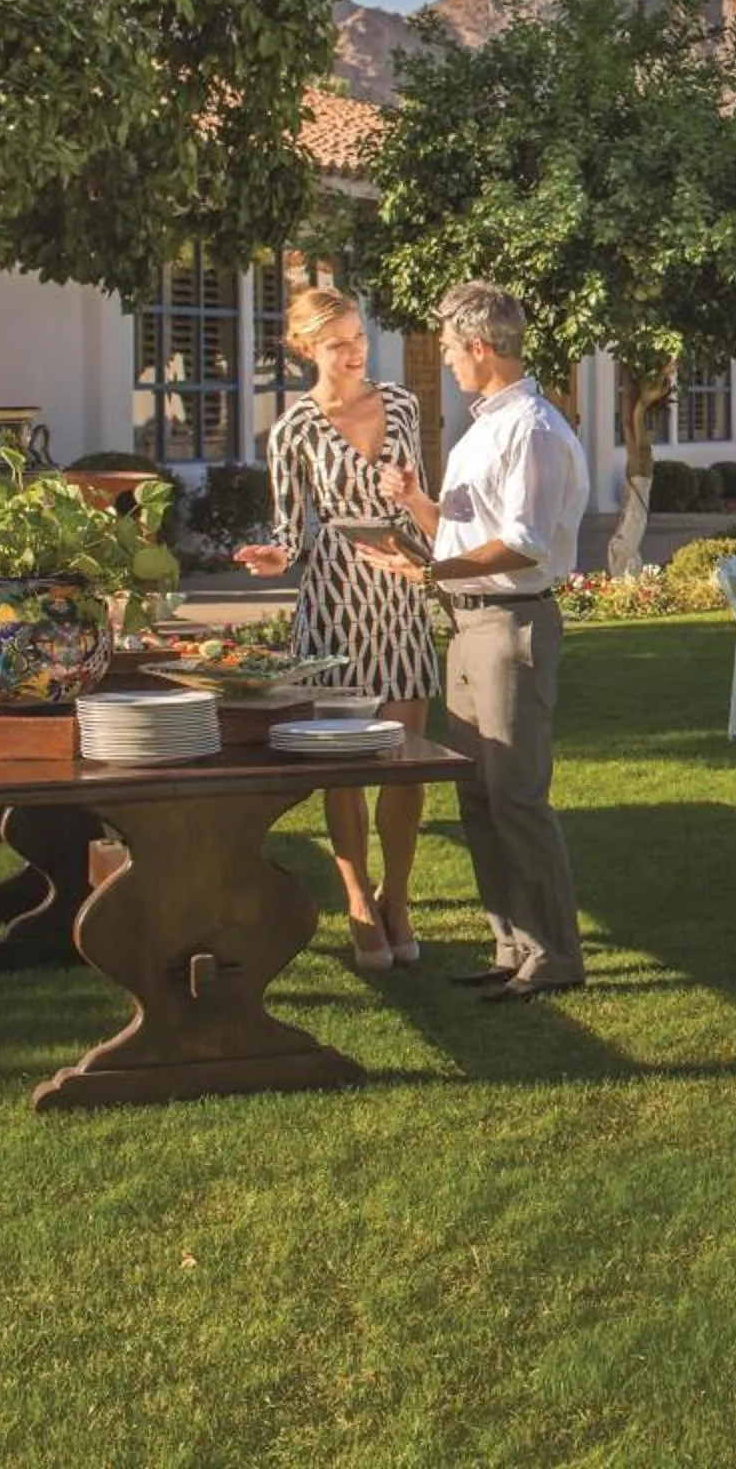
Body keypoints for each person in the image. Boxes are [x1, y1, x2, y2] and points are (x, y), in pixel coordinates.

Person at [355, 280, 590, 1002]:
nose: (449, 360)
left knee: (516, 793)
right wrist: (416, 509)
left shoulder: (535, 430)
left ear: (482, 348)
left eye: (453, 349)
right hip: (466, 623)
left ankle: (554, 955)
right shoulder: (484, 427)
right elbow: (466, 532)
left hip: (510, 624)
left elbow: (522, 545)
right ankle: (510, 945)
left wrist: (431, 566)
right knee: (479, 794)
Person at [235, 287, 441, 971]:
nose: (354, 353)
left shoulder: (404, 404)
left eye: (358, 338)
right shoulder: (293, 430)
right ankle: (356, 897)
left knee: (406, 760)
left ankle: (398, 895)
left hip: (402, 593)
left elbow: (418, 492)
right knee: (346, 764)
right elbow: (292, 532)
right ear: (305, 349)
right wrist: (274, 557)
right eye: (337, 344)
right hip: (334, 603)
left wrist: (411, 502)